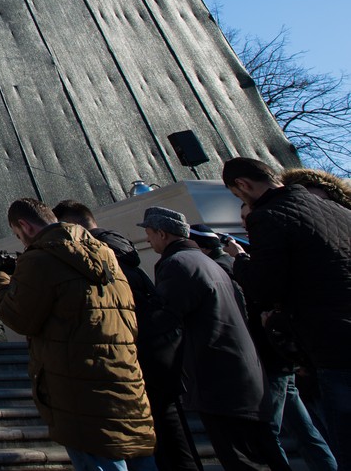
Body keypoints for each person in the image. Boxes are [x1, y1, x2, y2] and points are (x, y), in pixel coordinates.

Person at [0, 198, 156, 471]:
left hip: (79, 389)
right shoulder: (108, 256)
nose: (21, 242)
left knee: (98, 459)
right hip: (128, 384)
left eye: (18, 236)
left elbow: (19, 317)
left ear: (24, 226)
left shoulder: (40, 259)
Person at [140, 204, 291, 471]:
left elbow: (163, 318)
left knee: (241, 459)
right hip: (243, 373)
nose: (148, 240)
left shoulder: (177, 265)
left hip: (217, 376)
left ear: (162, 234)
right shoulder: (209, 262)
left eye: (150, 233)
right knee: (266, 454)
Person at [222, 157, 351, 469]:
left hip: (332, 344)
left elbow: (265, 288)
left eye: (239, 197)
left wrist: (239, 262)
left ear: (243, 185)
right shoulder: (339, 210)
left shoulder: (268, 216)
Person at [54, 200, 194, 471]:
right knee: (165, 434)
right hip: (154, 358)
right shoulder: (125, 256)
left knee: (158, 439)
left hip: (127, 362)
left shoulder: (94, 260)